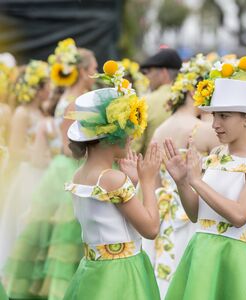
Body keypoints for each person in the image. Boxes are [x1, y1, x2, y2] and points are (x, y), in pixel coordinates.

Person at [163, 57, 246, 299]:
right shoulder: (217, 155)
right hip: (200, 254)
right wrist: (182, 182)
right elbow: (196, 214)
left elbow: (239, 215)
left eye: (224, 116)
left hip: (233, 258)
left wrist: (196, 182)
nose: (215, 124)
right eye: (214, 115)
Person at [2, 39, 98, 300]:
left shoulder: (69, 97)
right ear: (83, 70)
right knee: (63, 236)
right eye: (94, 68)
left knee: (54, 232)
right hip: (66, 167)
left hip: (58, 167)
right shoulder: (74, 100)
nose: (96, 73)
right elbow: (68, 146)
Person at [63, 64, 160, 299]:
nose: (132, 136)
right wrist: (147, 182)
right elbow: (151, 229)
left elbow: (113, 218)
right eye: (127, 130)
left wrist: (132, 182)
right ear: (110, 137)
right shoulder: (112, 179)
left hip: (92, 271)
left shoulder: (80, 175)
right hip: (121, 275)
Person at [144, 53, 219, 298]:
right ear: (193, 93)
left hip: (164, 209)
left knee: (164, 274)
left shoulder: (160, 130)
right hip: (192, 210)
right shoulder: (204, 130)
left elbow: (153, 179)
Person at [0, 60, 50, 271]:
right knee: (24, 219)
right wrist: (35, 155)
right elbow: (15, 149)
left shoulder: (43, 112)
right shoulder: (22, 113)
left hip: (44, 173)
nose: (51, 88)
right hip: (28, 175)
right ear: (38, 89)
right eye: (47, 84)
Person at [139, 48, 182, 153]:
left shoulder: (145, 102)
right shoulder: (189, 99)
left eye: (149, 72)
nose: (147, 77)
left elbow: (135, 146)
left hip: (151, 167)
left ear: (164, 73)